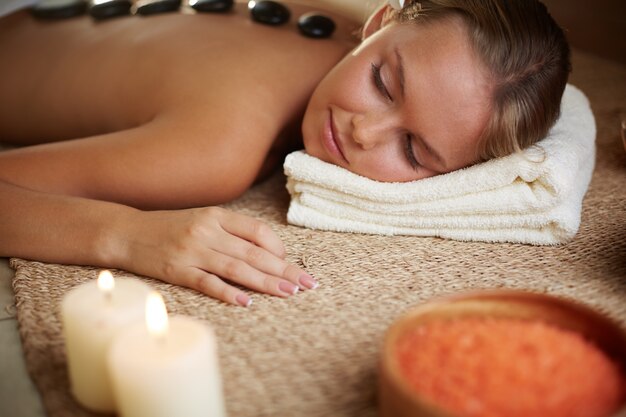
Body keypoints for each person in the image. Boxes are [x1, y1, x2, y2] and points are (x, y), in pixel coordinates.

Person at [0, 0, 570, 306]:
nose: (364, 132)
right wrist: (125, 235)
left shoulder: (340, 26)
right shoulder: (219, 147)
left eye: (415, 151)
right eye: (384, 82)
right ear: (379, 22)